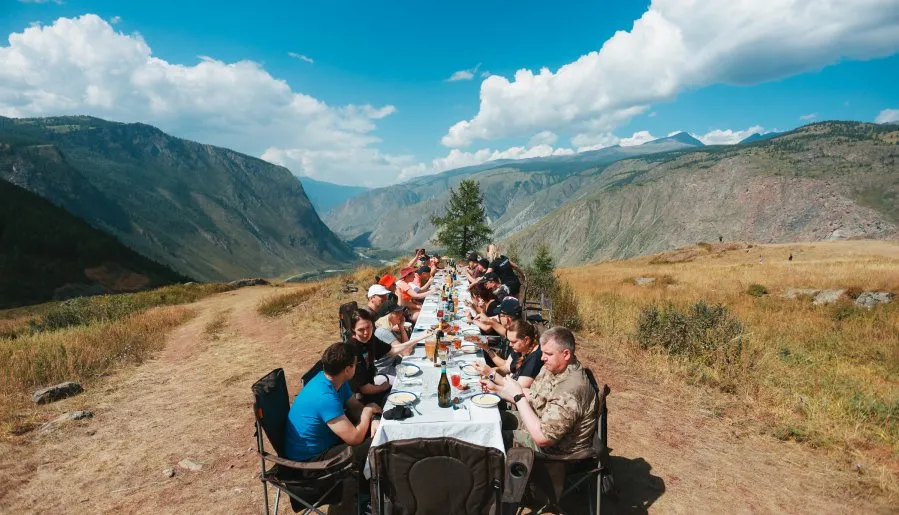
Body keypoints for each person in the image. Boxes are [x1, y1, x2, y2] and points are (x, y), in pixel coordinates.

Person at [484, 327, 597, 456]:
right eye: (542, 352)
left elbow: (543, 438)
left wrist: (518, 396)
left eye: (548, 354)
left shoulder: (570, 390)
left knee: (490, 439)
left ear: (566, 354)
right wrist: (498, 390)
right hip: (538, 420)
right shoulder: (554, 368)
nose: (542, 358)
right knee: (489, 419)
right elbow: (535, 397)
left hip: (554, 453)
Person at [283, 342, 381, 471]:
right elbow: (355, 438)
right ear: (347, 370)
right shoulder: (324, 397)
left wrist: (373, 418)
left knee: (377, 432)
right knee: (378, 444)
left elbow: (355, 407)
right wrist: (367, 412)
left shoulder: (336, 379)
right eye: (355, 365)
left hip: (327, 441)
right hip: (308, 462)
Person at [349, 309, 417, 404]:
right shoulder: (352, 350)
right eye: (361, 330)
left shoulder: (370, 339)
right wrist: (382, 387)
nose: (366, 333)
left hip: (372, 383)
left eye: (368, 327)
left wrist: (419, 338)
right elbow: (364, 389)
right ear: (353, 330)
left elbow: (392, 350)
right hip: (359, 398)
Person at [473, 319, 542, 388]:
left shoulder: (535, 358)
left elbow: (517, 389)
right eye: (509, 341)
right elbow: (507, 368)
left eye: (513, 342)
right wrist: (492, 370)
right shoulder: (520, 348)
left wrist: (490, 373)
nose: (510, 345)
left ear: (526, 340)